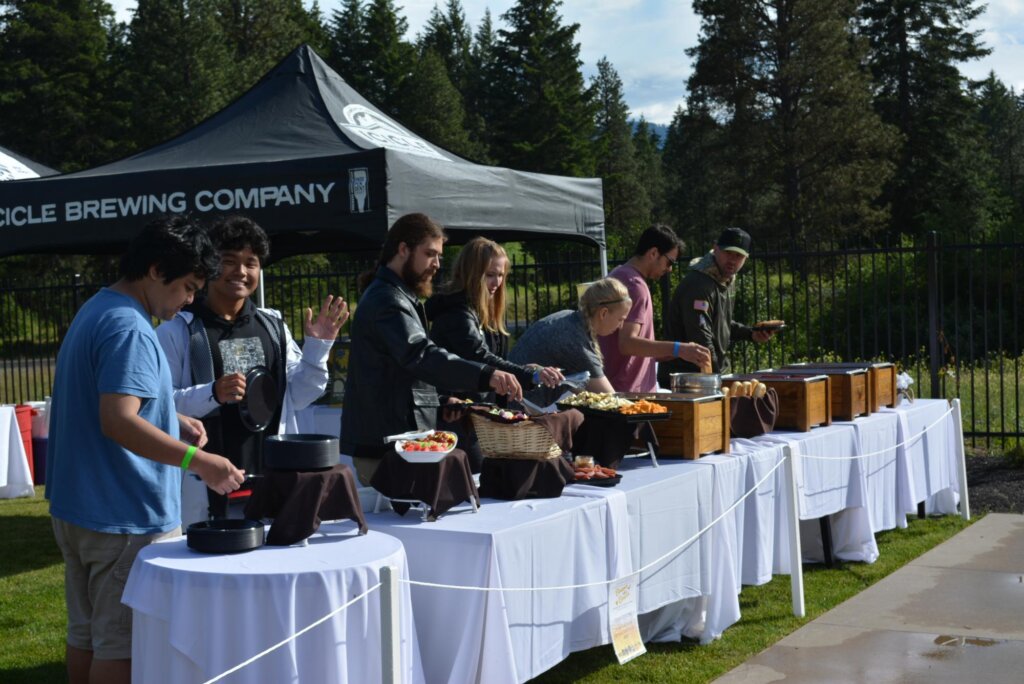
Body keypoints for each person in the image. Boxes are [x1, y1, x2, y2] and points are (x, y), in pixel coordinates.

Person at [46, 215, 244, 684]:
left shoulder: (99, 307)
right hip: (124, 516)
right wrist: (201, 462)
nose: (191, 299)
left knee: (88, 637)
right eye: (188, 286)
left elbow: (111, 399)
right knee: (123, 648)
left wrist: (171, 418)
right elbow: (117, 420)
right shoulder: (131, 329)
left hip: (79, 509)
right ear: (156, 271)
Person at [156, 216, 349, 524]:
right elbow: (159, 408)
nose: (241, 272)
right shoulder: (178, 331)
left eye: (251, 262)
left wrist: (318, 348)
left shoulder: (272, 325)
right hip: (204, 483)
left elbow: (298, 396)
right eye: (229, 261)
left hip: (272, 477)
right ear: (209, 265)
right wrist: (213, 393)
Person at [341, 213, 524, 486]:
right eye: (430, 254)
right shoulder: (387, 300)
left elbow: (400, 374)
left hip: (400, 441)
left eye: (439, 256)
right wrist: (487, 374)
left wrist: (439, 403)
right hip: (388, 446)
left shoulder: (397, 296)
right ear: (403, 249)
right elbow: (421, 355)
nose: (437, 264)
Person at [426, 237, 563, 470]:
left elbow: (494, 362)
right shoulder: (455, 313)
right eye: (490, 275)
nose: (497, 282)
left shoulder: (481, 309)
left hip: (480, 418)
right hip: (455, 417)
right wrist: (529, 376)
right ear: (471, 273)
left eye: (501, 275)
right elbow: (480, 358)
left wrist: (530, 371)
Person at [597, 224, 711, 392]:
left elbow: (624, 345)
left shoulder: (618, 274)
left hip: (617, 388)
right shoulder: (635, 285)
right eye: (669, 262)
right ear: (653, 253)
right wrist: (678, 348)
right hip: (630, 394)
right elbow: (627, 343)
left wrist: (676, 352)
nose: (670, 269)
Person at [660, 226, 778, 382]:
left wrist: (751, 333)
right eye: (728, 253)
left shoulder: (726, 279)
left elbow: (720, 323)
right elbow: (701, 336)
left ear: (746, 258)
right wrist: (718, 378)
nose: (732, 260)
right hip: (686, 378)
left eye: (738, 255)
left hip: (704, 375)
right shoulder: (700, 284)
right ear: (715, 249)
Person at [508, 277, 633, 394]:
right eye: (620, 319)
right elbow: (610, 398)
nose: (621, 326)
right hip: (516, 405)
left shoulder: (569, 317)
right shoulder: (576, 341)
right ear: (604, 313)